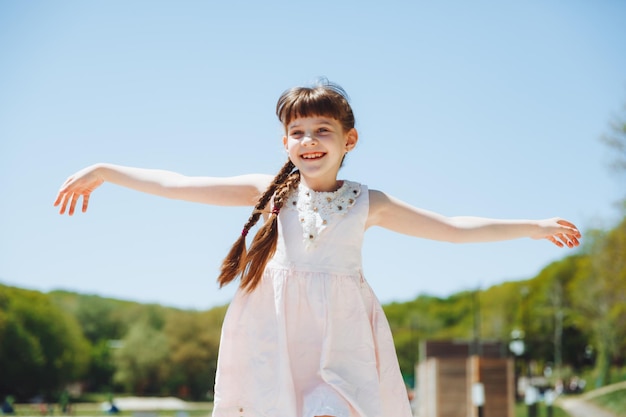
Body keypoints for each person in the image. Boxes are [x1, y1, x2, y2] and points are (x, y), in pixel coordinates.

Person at [54, 80, 581, 417]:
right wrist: (106, 171)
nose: (308, 140)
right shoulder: (269, 191)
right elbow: (176, 183)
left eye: (322, 129)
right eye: (297, 131)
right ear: (285, 142)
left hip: (344, 331)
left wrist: (530, 226)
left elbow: (450, 227)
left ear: (349, 140)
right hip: (274, 327)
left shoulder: (368, 202)